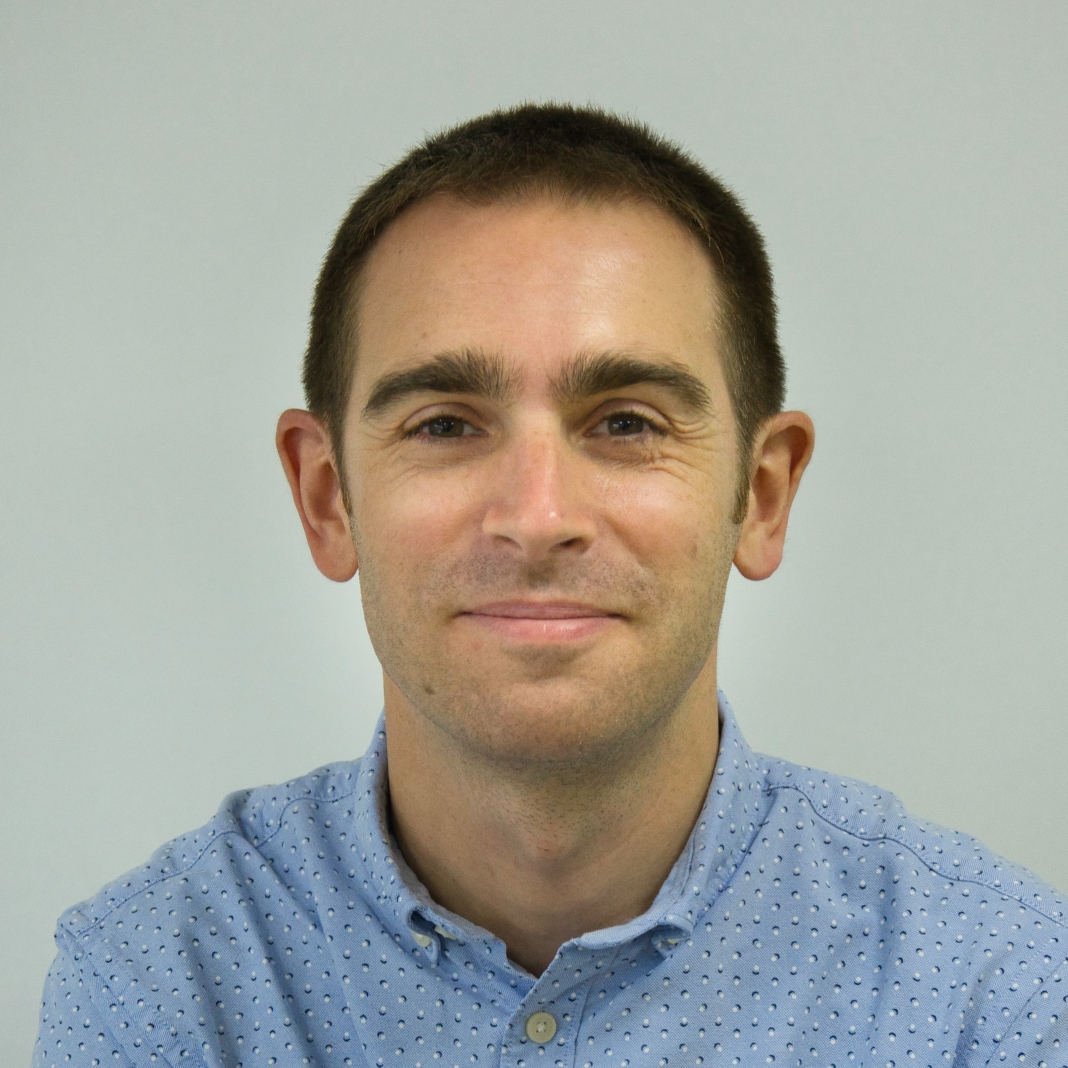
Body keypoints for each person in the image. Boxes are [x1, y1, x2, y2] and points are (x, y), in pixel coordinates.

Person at [35, 104, 1066, 1068]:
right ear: (327, 498)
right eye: (445, 424)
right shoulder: (156, 985)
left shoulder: (993, 990)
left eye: (626, 423)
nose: (536, 517)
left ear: (760, 496)